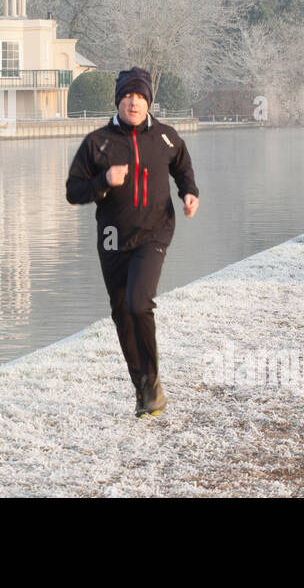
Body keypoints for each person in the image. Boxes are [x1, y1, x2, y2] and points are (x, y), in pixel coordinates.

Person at [64, 66, 199, 417]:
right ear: (119, 101)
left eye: (139, 96)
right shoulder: (98, 142)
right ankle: (142, 387)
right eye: (127, 96)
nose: (133, 102)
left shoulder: (166, 138)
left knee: (139, 304)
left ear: (149, 101)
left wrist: (189, 193)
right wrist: (103, 180)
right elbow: (73, 191)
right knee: (122, 313)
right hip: (111, 239)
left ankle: (151, 382)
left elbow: (182, 167)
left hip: (153, 233)